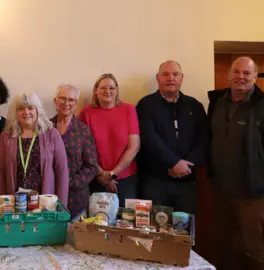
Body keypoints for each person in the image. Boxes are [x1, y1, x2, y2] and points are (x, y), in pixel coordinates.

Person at [209, 56, 264, 270]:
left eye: (246, 73)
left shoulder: (261, 106)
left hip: (252, 192)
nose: (241, 77)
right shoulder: (217, 103)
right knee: (224, 246)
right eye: (236, 72)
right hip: (221, 190)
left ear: (255, 77)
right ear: (229, 74)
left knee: (253, 248)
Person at [136, 60, 208, 214]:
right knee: (154, 231)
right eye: (165, 74)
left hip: (187, 181)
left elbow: (203, 139)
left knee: (184, 232)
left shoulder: (194, 106)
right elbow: (148, 138)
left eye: (175, 74)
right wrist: (173, 163)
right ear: (158, 78)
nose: (171, 78)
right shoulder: (146, 104)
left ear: (182, 78)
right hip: (155, 180)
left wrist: (186, 166)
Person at [0, 92, 69, 207]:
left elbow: (62, 170)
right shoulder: (6, 136)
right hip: (15, 204)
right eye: (21, 109)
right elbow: (0, 170)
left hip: (45, 204)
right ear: (15, 112)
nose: (26, 112)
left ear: (37, 110)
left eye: (30, 108)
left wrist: (61, 204)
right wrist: (1, 203)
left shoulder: (52, 134)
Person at [79, 74, 140, 207]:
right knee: (97, 222)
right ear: (96, 91)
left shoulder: (129, 110)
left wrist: (112, 174)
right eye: (103, 88)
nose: (108, 91)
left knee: (125, 222)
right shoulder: (86, 113)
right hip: (96, 178)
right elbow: (84, 149)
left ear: (117, 91)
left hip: (125, 179)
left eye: (112, 88)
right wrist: (102, 174)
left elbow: (134, 147)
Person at [50, 84, 99, 217]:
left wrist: (67, 182)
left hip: (76, 198)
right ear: (55, 100)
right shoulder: (45, 128)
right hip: (49, 196)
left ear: (76, 103)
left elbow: (91, 166)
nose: (66, 103)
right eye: (62, 98)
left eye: (71, 100)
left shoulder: (83, 130)